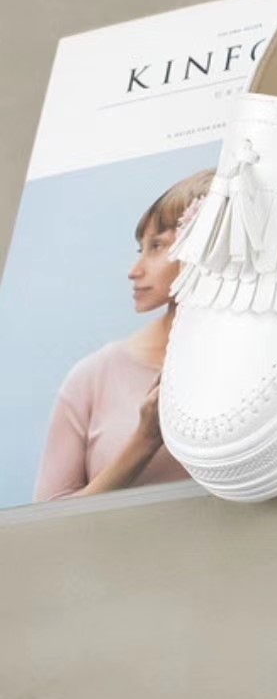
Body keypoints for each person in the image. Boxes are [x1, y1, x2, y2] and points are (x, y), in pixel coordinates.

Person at [33, 169, 214, 500]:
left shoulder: (256, 368)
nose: (134, 271)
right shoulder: (93, 376)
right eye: (141, 248)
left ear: (208, 246)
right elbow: (47, 518)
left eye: (157, 246)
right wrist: (145, 439)